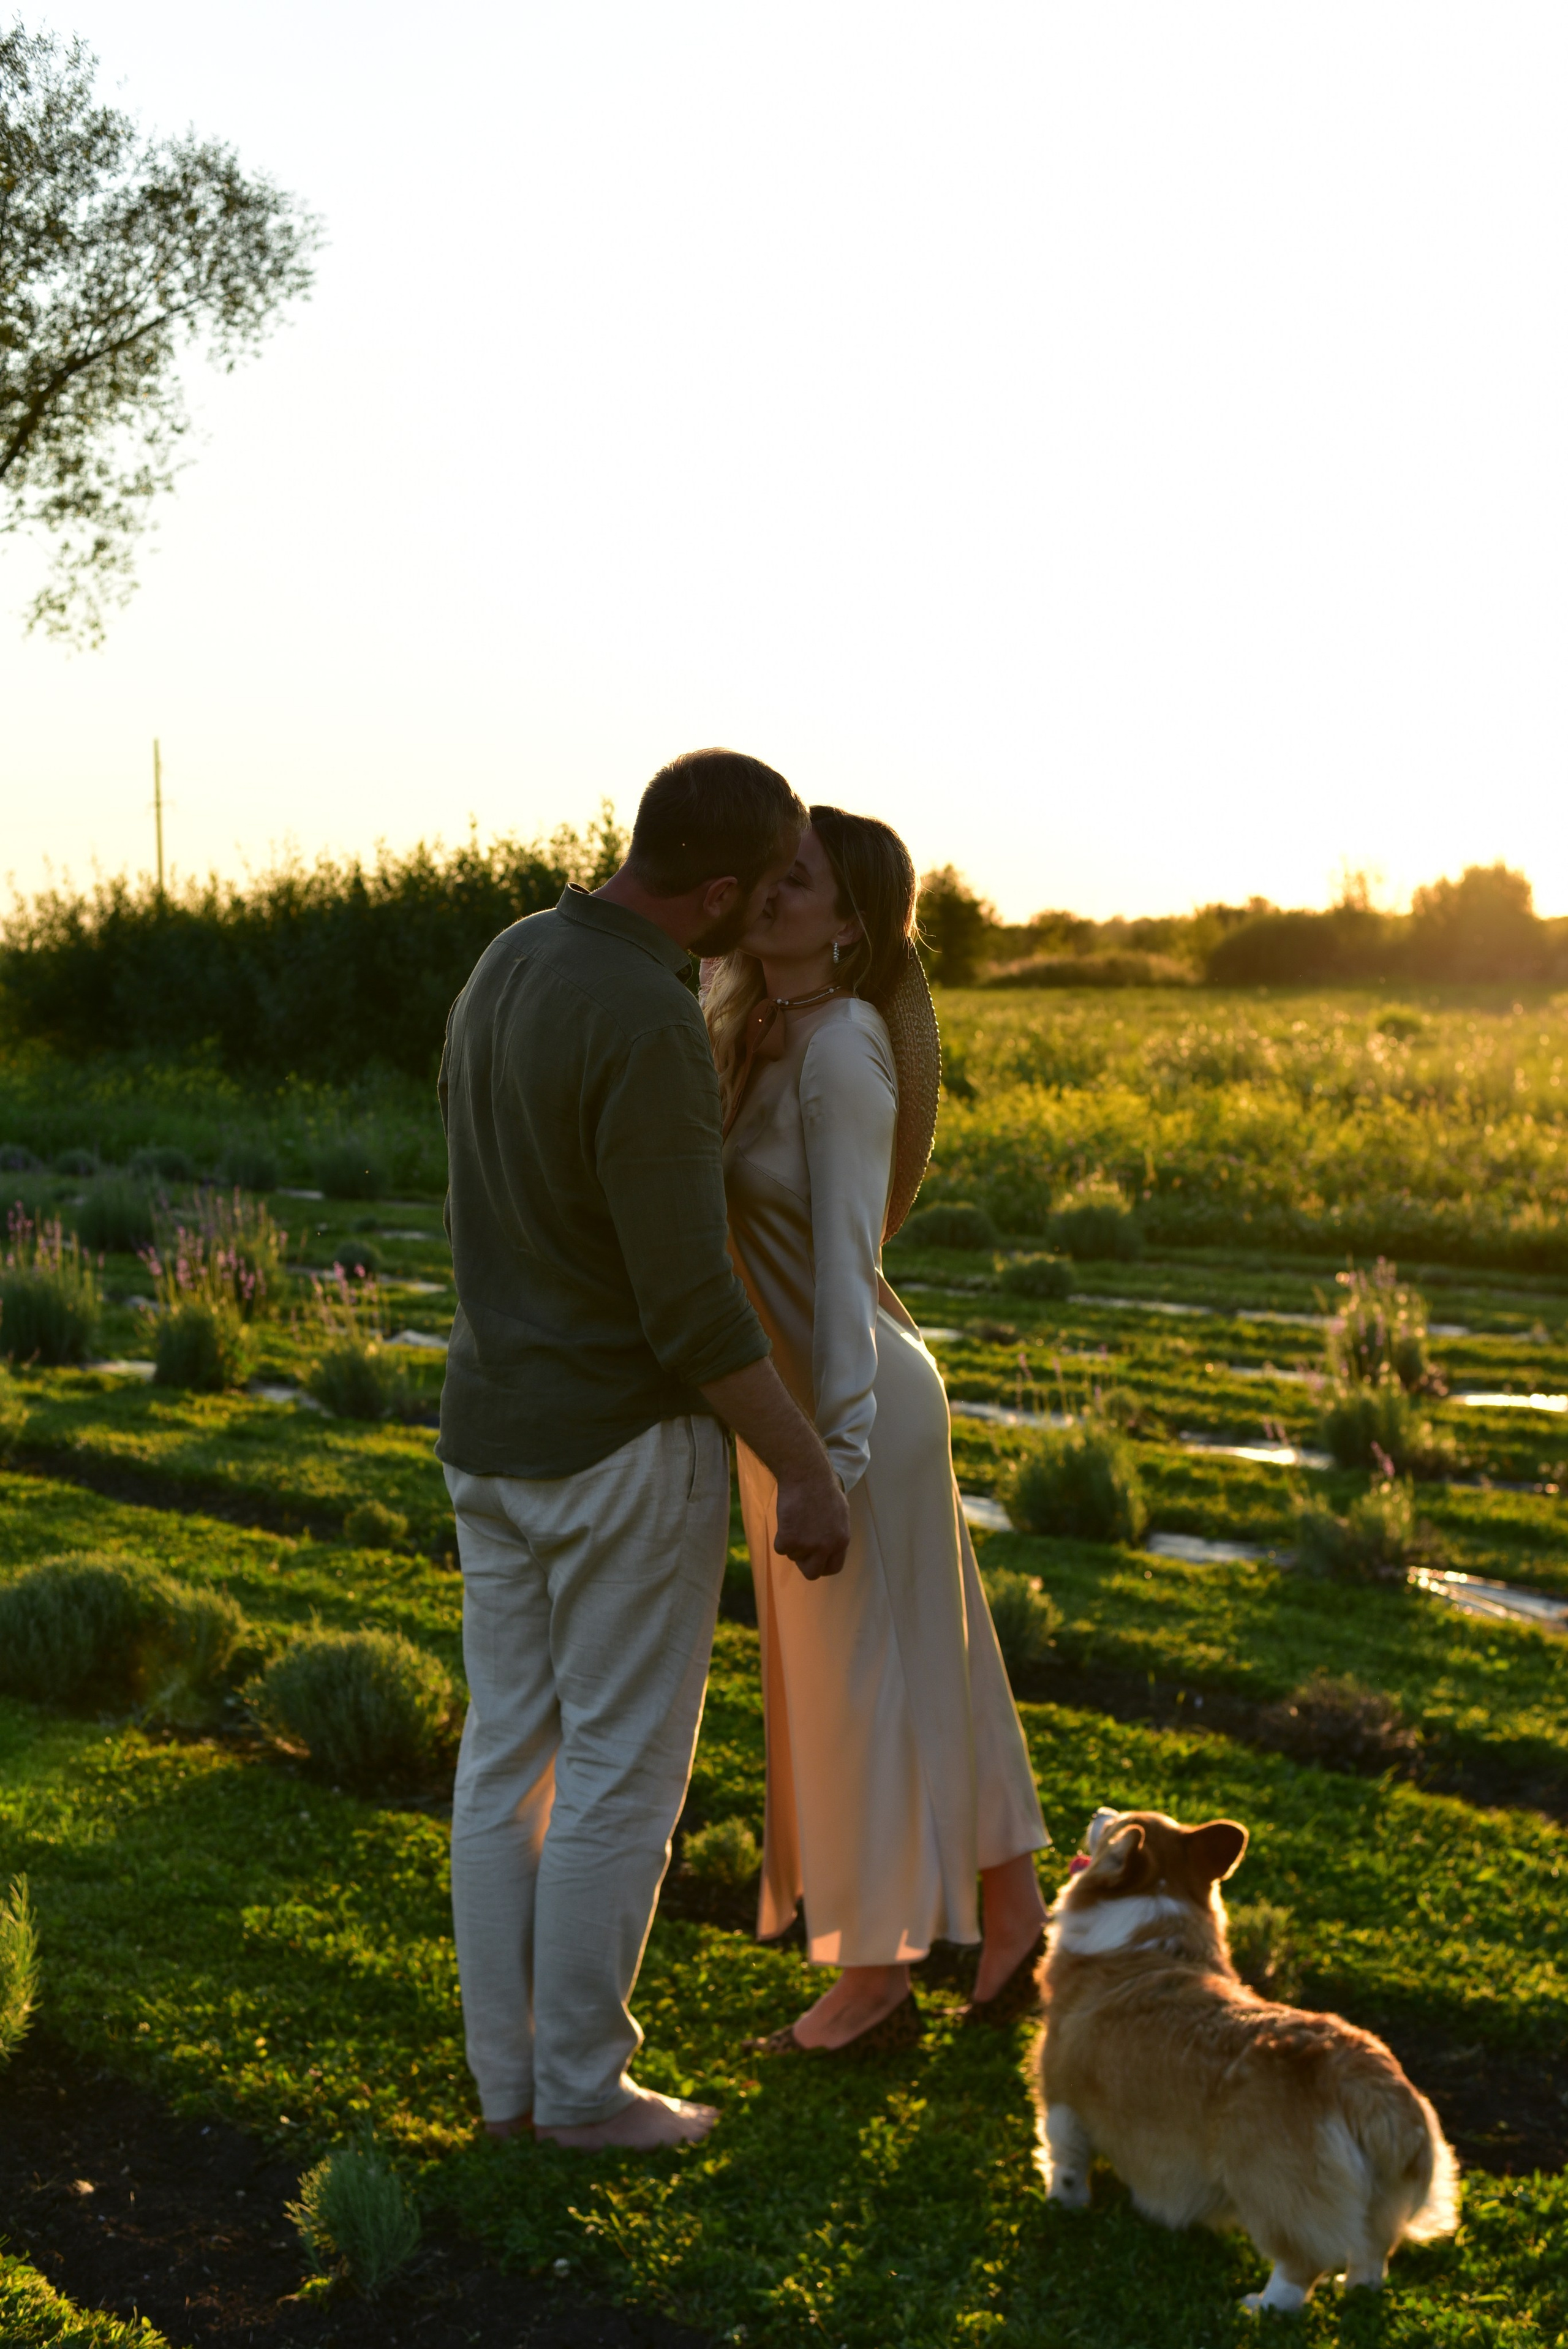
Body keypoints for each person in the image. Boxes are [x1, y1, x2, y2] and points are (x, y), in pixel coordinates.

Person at [437, 749, 852, 2151]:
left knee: (505, 1758)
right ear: (718, 891)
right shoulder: (647, 1016)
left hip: (490, 1431)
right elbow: (688, 1304)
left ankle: (508, 2087)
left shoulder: (508, 958)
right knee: (618, 1771)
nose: (772, 908)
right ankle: (580, 2093)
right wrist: (803, 1464)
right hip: (615, 1445)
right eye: (767, 885)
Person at [704, 807, 1049, 2054]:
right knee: (934, 1660)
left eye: (796, 882)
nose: (767, 893)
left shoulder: (843, 1050)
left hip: (849, 1412)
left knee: (856, 1686)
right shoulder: (759, 1026)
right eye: (766, 871)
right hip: (808, 1403)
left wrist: (830, 1460)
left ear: (850, 924)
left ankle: (872, 1979)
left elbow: (847, 1269)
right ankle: (1012, 1913)